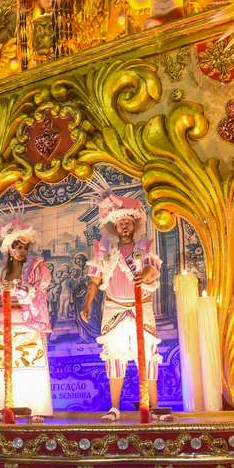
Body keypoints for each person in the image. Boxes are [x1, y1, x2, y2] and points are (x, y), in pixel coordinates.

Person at [81, 175, 162, 422]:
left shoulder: (144, 246)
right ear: (115, 228)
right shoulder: (105, 251)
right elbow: (94, 281)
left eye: (128, 222)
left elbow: (152, 269)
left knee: (147, 357)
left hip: (141, 308)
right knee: (115, 358)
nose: (124, 227)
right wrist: (87, 304)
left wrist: (145, 275)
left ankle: (154, 408)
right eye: (120, 224)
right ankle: (115, 408)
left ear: (133, 226)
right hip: (113, 309)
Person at [0, 217, 53, 423]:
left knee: (29, 367)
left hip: (27, 323)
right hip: (0, 323)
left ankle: (31, 409)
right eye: (18, 247)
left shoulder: (36, 269)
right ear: (10, 249)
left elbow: (38, 294)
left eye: (25, 247)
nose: (22, 251)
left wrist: (17, 289)